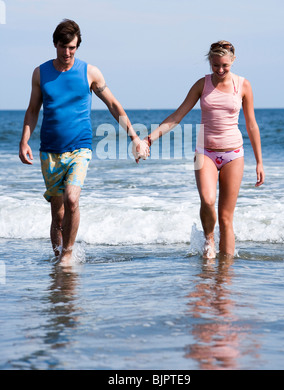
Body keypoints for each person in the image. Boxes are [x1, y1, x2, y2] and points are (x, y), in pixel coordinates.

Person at [19, 19, 149, 266]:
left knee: (72, 199)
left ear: (78, 46)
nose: (67, 53)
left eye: (72, 48)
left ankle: (67, 255)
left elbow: (112, 104)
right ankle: (59, 259)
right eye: (63, 47)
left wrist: (134, 136)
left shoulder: (90, 72)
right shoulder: (40, 73)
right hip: (50, 152)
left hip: (80, 148)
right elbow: (33, 109)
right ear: (55, 44)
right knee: (57, 214)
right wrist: (24, 140)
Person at [139, 41, 264, 259]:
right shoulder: (202, 85)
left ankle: (225, 273)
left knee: (226, 218)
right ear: (210, 62)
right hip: (204, 152)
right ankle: (209, 239)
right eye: (215, 65)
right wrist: (149, 139)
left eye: (225, 65)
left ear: (233, 60)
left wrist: (260, 162)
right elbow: (177, 116)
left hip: (233, 154)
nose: (220, 70)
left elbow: (251, 124)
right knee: (207, 201)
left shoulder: (243, 85)